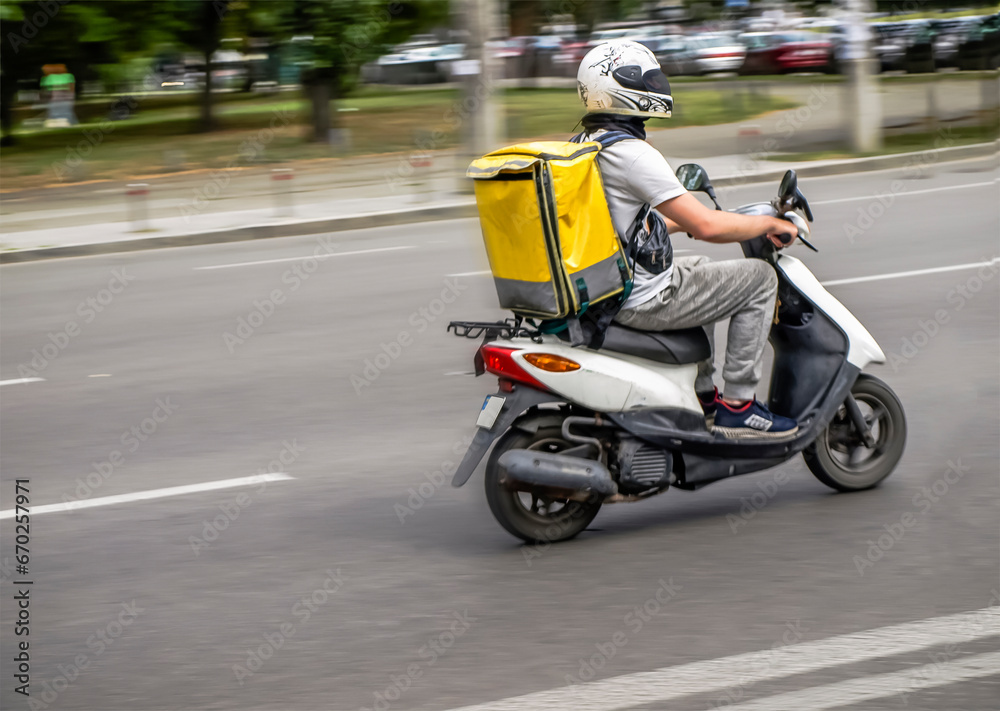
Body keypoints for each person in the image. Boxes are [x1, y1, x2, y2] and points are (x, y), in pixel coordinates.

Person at [575, 40, 798, 439]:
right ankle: (738, 406)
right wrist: (767, 225)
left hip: (607, 289)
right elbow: (710, 227)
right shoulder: (633, 153)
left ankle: (702, 395)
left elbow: (626, 223)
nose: (656, 86)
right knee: (760, 279)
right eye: (643, 79)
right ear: (614, 87)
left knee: (701, 268)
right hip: (640, 299)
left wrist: (684, 224)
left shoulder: (586, 145)